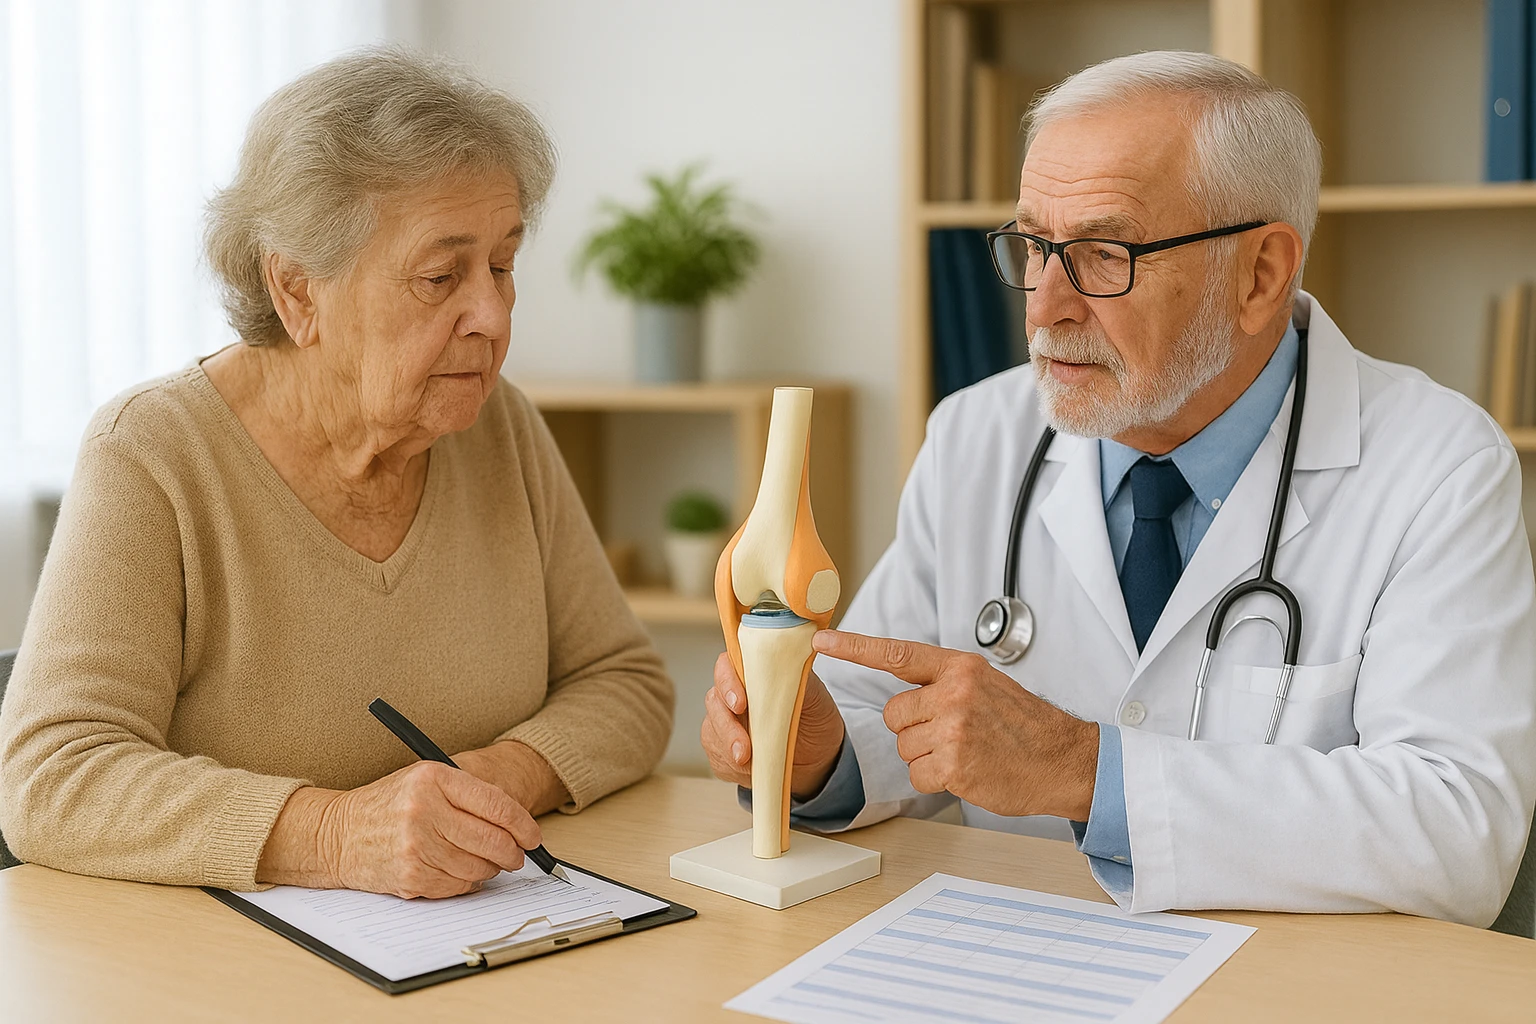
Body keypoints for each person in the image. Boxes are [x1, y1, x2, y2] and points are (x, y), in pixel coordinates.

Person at [702, 50, 1536, 927]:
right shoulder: (975, 435)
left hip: (1294, 979)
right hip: (1018, 953)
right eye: (1035, 247)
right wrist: (819, 756)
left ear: (1260, 274)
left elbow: (1459, 829)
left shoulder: (1440, 468)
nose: (1045, 305)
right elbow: (887, 704)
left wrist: (1085, 770)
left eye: (1105, 254)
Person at [0, 47, 674, 899]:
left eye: (503, 266)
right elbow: (53, 779)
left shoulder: (500, 427)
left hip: (474, 931)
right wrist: (335, 833)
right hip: (217, 959)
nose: (493, 315)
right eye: (441, 275)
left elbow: (627, 684)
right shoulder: (152, 454)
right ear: (297, 291)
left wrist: (499, 777)